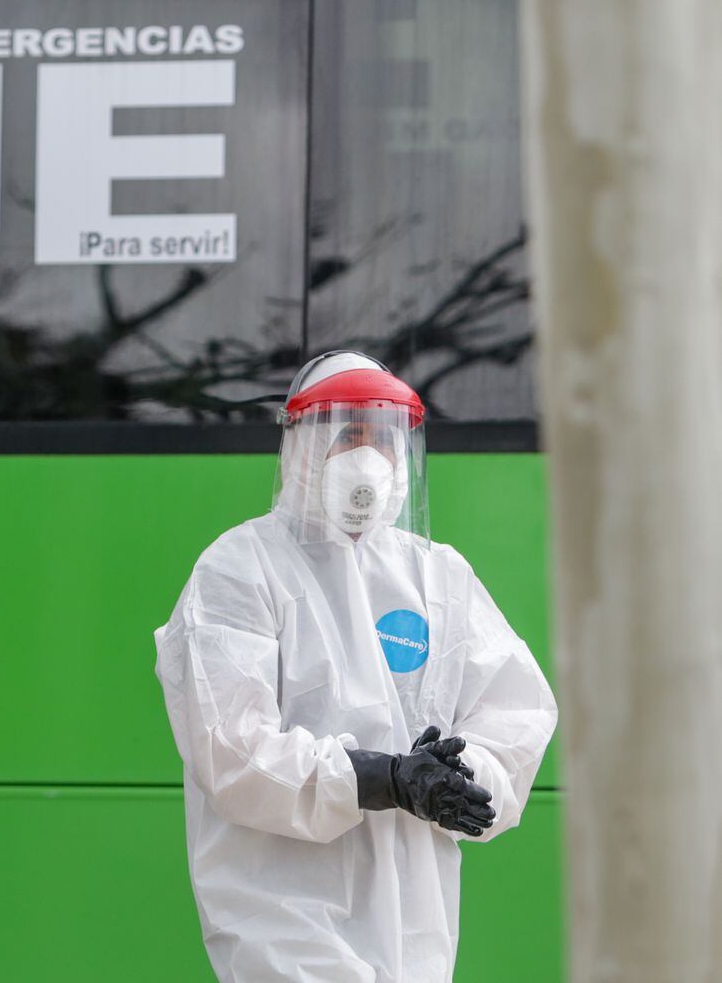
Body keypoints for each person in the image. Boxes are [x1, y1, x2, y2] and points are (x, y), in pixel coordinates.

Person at [154, 350, 556, 982]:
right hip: (283, 919)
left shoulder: (437, 573)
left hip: (416, 923)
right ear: (302, 448)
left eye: (384, 440)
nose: (368, 459)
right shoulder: (240, 568)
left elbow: (516, 713)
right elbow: (231, 751)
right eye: (348, 435)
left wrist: (459, 776)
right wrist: (382, 777)